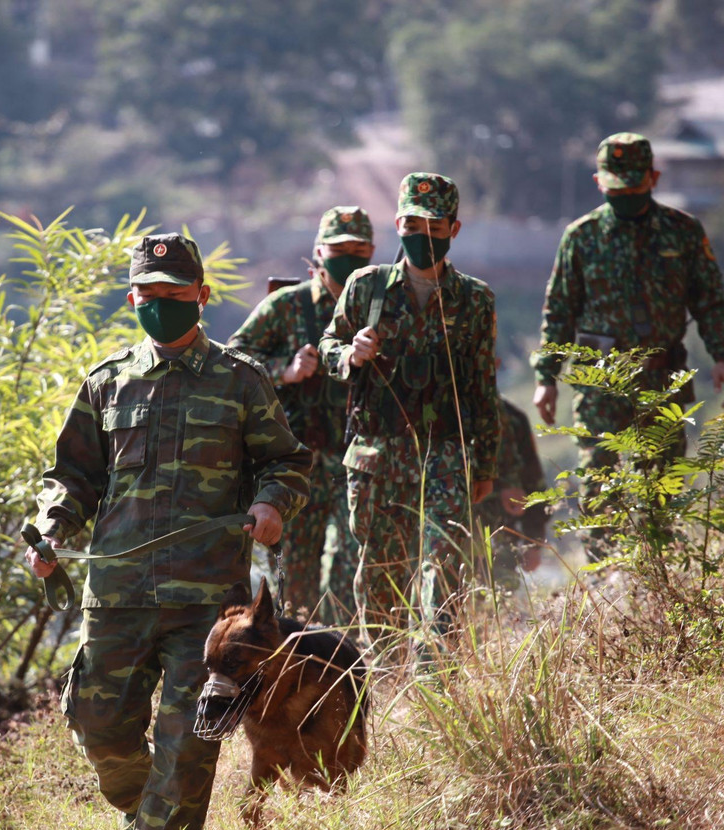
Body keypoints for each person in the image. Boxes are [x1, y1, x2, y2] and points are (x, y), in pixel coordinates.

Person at [25, 232, 311, 830]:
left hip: (209, 604)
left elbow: (286, 461)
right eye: (148, 295)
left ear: (202, 297)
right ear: (132, 298)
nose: (161, 305)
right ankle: (146, 813)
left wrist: (271, 505)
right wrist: (50, 531)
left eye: (175, 294)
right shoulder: (106, 384)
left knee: (190, 736)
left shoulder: (240, 380)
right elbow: (72, 477)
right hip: (118, 593)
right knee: (99, 727)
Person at [531, 133, 724, 561]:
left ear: (654, 178)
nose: (625, 194)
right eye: (616, 186)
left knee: (662, 488)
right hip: (601, 384)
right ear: (598, 182)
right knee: (598, 487)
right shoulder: (581, 237)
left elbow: (710, 298)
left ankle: (656, 588)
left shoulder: (682, 232)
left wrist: (722, 356)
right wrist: (546, 378)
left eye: (634, 184)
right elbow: (560, 312)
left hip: (663, 378)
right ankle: (607, 592)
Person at [318, 173, 500, 664]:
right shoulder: (367, 286)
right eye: (414, 223)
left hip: (444, 454)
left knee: (443, 567)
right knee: (381, 571)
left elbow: (483, 386)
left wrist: (483, 465)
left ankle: (434, 679)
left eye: (435, 227)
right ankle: (385, 677)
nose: (424, 235)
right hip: (379, 457)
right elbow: (328, 345)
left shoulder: (474, 299)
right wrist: (350, 354)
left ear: (453, 230)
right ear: (397, 222)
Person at [227, 206, 374, 623]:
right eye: (339, 249)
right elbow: (235, 361)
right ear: (319, 252)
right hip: (299, 464)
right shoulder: (286, 306)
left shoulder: (379, 305)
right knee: (296, 575)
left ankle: (352, 656)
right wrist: (285, 371)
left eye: (359, 249)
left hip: (358, 460)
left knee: (356, 566)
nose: (349, 258)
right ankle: (296, 658)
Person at [475, 392, 550, 586]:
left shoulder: (512, 417)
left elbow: (533, 482)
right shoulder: (437, 412)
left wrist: (533, 540)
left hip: (500, 531)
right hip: (451, 531)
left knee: (502, 588)